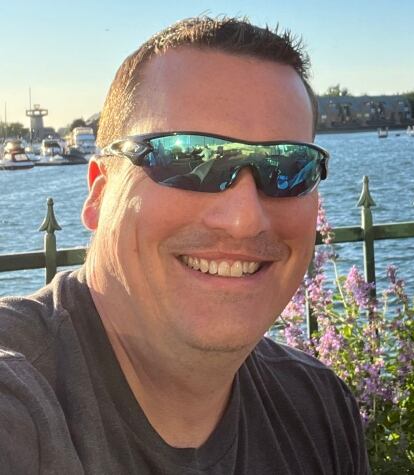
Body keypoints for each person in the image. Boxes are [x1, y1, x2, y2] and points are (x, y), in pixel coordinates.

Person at [0, 17, 369, 474]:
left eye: (288, 168)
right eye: (188, 157)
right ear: (98, 194)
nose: (243, 218)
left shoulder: (318, 409)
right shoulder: (18, 402)